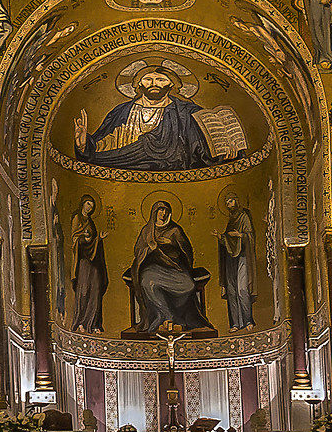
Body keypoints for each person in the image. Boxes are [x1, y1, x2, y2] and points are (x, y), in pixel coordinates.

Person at [79, 67, 213, 171]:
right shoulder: (122, 111)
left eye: (161, 80)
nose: (154, 83)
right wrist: (84, 145)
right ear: (139, 84)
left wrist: (222, 154)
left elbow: (200, 146)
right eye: (148, 79)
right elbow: (105, 143)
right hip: (122, 164)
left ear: (172, 84)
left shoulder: (185, 112)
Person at [125, 201, 215, 337]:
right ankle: (165, 318)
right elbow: (138, 251)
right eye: (160, 211)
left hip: (174, 268)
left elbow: (187, 251)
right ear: (154, 213)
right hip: (152, 268)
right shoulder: (147, 230)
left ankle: (180, 318)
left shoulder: (175, 230)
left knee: (189, 285)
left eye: (165, 211)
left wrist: (171, 249)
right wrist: (150, 249)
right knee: (147, 282)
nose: (163, 214)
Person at [69, 194, 108, 333]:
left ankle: (94, 323)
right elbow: (74, 239)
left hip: (94, 263)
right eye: (88, 204)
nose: (89, 208)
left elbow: (94, 241)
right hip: (83, 262)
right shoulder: (77, 218)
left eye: (92, 205)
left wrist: (99, 239)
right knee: (84, 291)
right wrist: (84, 238)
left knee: (96, 291)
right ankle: (81, 322)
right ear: (82, 204)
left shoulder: (91, 222)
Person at [218, 197, 257, 331]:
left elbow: (250, 235)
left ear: (236, 201)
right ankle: (235, 323)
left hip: (243, 256)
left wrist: (240, 235)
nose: (229, 204)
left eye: (231, 201)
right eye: (227, 202)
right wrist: (220, 237)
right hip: (230, 259)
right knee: (231, 291)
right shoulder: (230, 220)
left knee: (242, 289)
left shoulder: (243, 216)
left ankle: (248, 320)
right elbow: (228, 240)